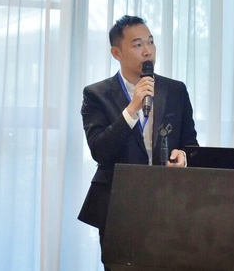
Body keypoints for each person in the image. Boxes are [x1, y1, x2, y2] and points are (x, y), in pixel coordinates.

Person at [78, 15, 199, 269]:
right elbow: (100, 150)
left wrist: (184, 157)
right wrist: (131, 109)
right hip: (118, 206)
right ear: (117, 53)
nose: (147, 51)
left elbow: (190, 145)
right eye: (137, 44)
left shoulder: (175, 90)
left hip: (168, 204)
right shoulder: (96, 94)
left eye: (151, 42)